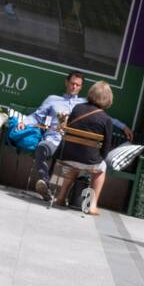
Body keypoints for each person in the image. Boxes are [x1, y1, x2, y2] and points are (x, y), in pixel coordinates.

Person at [21, 72, 132, 201]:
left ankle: (55, 192)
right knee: (42, 147)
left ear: (81, 87)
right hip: (54, 140)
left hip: (70, 146)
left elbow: (106, 118)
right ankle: (44, 183)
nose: (74, 87)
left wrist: (123, 126)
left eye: (77, 85)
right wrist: (24, 122)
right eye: (72, 83)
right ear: (66, 82)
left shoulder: (84, 104)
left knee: (65, 158)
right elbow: (37, 116)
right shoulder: (52, 99)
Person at [50, 81, 117, 215]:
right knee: (101, 168)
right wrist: (99, 159)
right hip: (89, 160)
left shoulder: (77, 108)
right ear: (108, 99)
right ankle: (92, 205)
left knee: (74, 165)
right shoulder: (106, 119)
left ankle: (61, 197)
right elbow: (106, 146)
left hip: (68, 156)